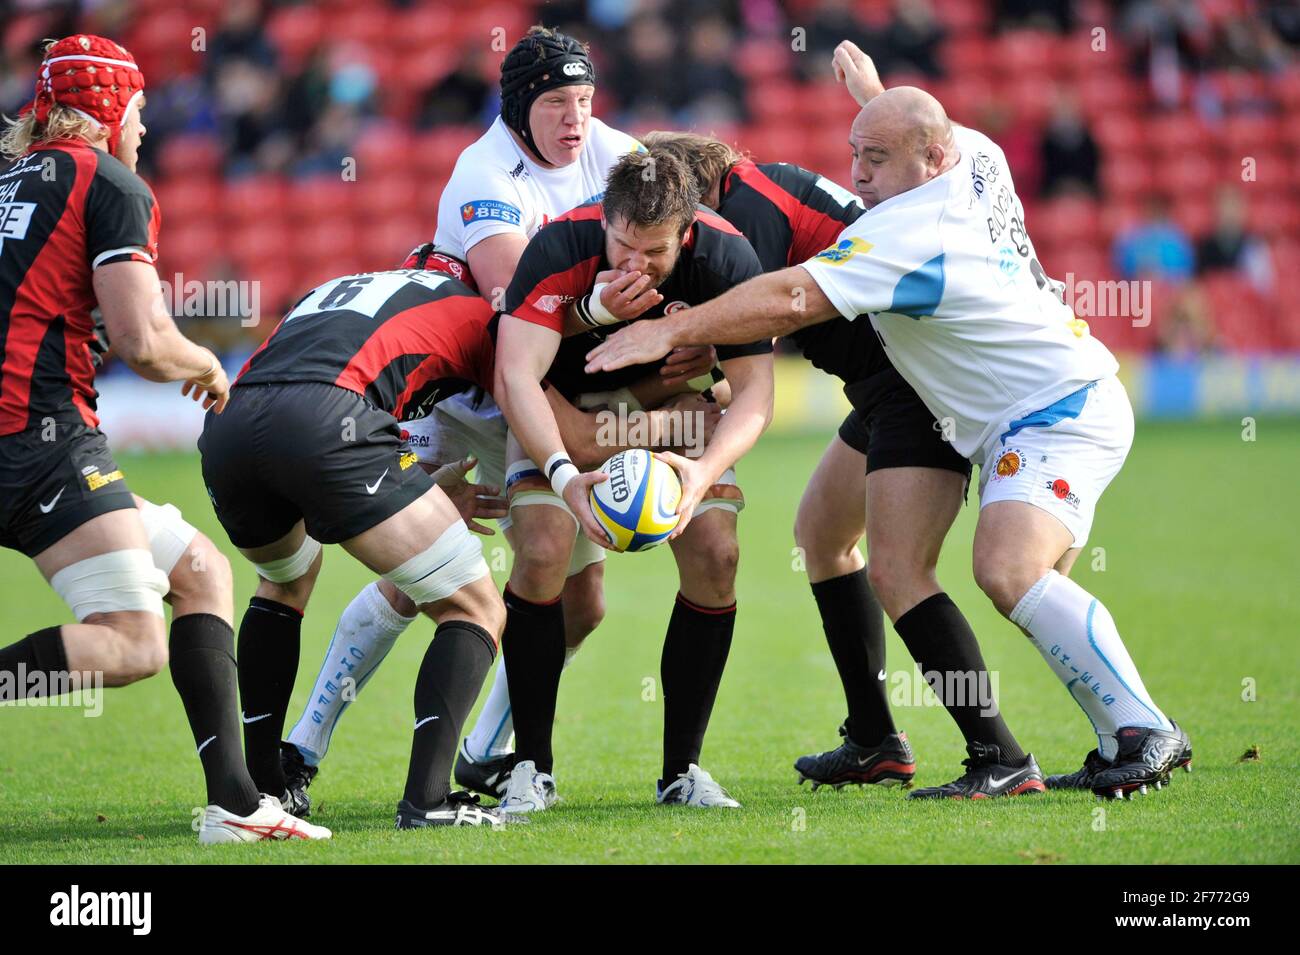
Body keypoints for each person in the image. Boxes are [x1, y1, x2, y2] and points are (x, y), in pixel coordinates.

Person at [587, 83, 1192, 800]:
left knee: (969, 569)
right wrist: (877, 97)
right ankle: (881, 737)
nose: (858, 175)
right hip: (961, 391)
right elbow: (928, 139)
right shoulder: (973, 156)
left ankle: (1040, 747)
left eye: (874, 157)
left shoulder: (881, 231)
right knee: (822, 530)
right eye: (855, 155)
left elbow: (788, 300)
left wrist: (673, 334)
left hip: (1009, 403)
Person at [279, 26, 715, 813]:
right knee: (423, 577)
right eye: (556, 103)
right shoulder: (481, 174)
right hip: (468, 389)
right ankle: (302, 748)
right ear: (519, 108)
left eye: (584, 100)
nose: (576, 119)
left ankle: (486, 750)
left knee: (583, 603)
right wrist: (607, 311)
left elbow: (675, 242)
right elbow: (518, 300)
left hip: (548, 387)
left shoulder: (616, 155)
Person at [645, 80, 1034, 795]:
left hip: (917, 388)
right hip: (889, 383)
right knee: (822, 536)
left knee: (899, 571)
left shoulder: (742, 209)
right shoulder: (756, 193)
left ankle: (1000, 753)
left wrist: (684, 348)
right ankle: (875, 738)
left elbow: (758, 332)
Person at [0, 35, 326, 842]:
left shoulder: (8, 181)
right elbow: (145, 341)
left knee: (199, 569)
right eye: (138, 112)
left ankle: (237, 805)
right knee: (134, 640)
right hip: (38, 438)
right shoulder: (108, 181)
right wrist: (211, 364)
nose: (143, 132)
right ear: (109, 108)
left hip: (21, 435)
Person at [491, 149, 773, 813]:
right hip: (565, 406)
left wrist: (703, 474)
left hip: (672, 413)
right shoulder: (560, 243)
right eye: (622, 244)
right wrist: (564, 473)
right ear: (605, 219)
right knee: (539, 553)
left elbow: (756, 396)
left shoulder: (730, 261)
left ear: (688, 232)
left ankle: (683, 771)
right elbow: (515, 376)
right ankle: (530, 767)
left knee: (718, 555)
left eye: (653, 252)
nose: (633, 265)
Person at [200, 264, 514, 829]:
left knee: (285, 580)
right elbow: (527, 392)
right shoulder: (477, 311)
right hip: (323, 419)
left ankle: (264, 791)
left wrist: (418, 490)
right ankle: (429, 801)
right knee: (475, 606)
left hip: (229, 421)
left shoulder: (343, 286)